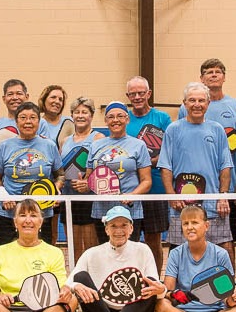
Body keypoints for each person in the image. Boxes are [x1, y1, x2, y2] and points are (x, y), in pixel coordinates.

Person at [179, 58, 236, 247]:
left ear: (224, 77)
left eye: (217, 71)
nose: (213, 74)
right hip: (191, 189)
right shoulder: (185, 109)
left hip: (226, 187)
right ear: (201, 78)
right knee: (192, 236)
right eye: (208, 71)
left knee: (228, 238)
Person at [69, 206, 164, 312]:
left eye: (124, 225)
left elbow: (155, 287)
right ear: (106, 229)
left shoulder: (143, 250)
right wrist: (75, 286)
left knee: (148, 283)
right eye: (113, 226)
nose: (119, 231)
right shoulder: (91, 253)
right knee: (80, 277)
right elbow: (69, 282)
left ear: (131, 228)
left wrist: (161, 289)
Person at [159, 83, 234, 257]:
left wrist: (223, 196)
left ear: (208, 103)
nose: (197, 104)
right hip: (181, 205)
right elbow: (166, 166)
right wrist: (171, 196)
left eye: (201, 100)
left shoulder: (217, 130)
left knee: (224, 248)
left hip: (213, 203)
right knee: (178, 252)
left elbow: (225, 166)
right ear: (184, 103)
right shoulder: (173, 129)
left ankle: (230, 284)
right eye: (192, 100)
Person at [154, 205, 236, 312]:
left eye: (194, 222)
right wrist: (174, 294)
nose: (190, 227)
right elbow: (168, 290)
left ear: (206, 225)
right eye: (185, 223)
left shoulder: (220, 254)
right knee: (161, 304)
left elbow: (226, 295)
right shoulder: (176, 254)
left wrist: (231, 300)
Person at [0, 102, 64, 246]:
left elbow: (60, 175)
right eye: (23, 117)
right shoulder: (5, 146)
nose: (28, 121)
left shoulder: (49, 145)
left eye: (32, 117)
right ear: (16, 121)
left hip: (41, 213)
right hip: (9, 214)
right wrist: (4, 195)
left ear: (39, 121)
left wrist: (55, 191)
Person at [87, 101, 152, 243]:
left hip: (130, 211)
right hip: (101, 210)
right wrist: (84, 184)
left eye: (120, 116)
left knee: (129, 253)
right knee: (105, 253)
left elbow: (146, 181)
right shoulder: (95, 146)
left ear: (127, 119)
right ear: (105, 121)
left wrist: (132, 195)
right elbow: (89, 178)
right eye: (111, 117)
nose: (115, 120)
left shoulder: (138, 145)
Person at [124, 76, 171, 270]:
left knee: (154, 239)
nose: (137, 97)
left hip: (156, 188)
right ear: (128, 96)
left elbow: (169, 151)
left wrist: (144, 164)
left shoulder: (162, 119)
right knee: (129, 240)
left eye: (141, 93)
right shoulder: (124, 119)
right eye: (132, 94)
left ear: (148, 94)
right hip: (129, 190)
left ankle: (155, 280)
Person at [61, 96, 105, 262]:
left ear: (91, 116)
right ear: (72, 115)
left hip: (89, 199)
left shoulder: (98, 138)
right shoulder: (65, 141)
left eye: (84, 112)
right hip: (69, 198)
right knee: (73, 245)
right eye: (76, 112)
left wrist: (88, 183)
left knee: (90, 247)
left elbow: (102, 169)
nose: (80, 115)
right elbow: (60, 169)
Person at [38, 84, 71, 240]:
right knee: (41, 226)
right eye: (53, 97)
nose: (57, 101)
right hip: (40, 183)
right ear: (44, 100)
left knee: (55, 228)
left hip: (62, 182)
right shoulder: (36, 121)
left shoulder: (69, 123)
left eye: (60, 99)